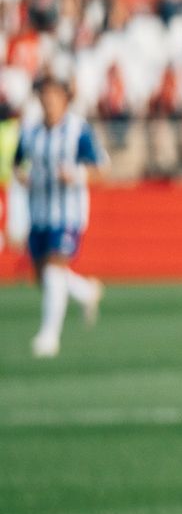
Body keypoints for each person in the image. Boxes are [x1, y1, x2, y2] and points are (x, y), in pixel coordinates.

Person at [15, 75, 105, 358]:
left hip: (68, 212)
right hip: (38, 211)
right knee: (42, 275)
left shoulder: (78, 131)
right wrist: (23, 177)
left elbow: (100, 167)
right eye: (44, 94)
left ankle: (49, 336)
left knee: (54, 268)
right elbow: (18, 163)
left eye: (54, 94)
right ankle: (86, 292)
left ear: (65, 98)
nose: (49, 100)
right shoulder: (30, 131)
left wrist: (76, 175)